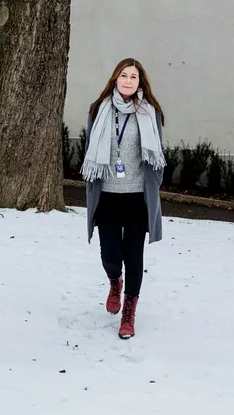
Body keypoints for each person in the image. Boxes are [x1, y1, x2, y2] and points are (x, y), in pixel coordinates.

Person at [81, 58, 166, 339]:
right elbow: (91, 147)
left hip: (136, 198)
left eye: (134, 77)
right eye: (123, 75)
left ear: (140, 82)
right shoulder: (99, 110)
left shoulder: (150, 112)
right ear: (115, 79)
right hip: (107, 195)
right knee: (110, 255)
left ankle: (129, 312)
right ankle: (114, 282)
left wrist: (153, 189)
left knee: (134, 255)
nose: (128, 81)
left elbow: (158, 157)